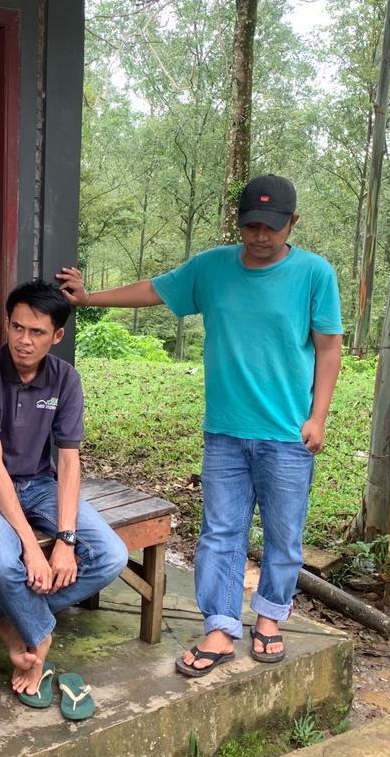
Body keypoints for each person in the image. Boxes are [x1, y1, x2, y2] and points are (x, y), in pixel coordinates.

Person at [57, 174, 343, 678]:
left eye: (271, 227)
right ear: (239, 224)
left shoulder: (314, 274)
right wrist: (88, 298)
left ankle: (270, 616)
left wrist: (317, 418)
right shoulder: (212, 268)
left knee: (283, 535)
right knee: (220, 533)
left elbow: (329, 347)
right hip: (226, 431)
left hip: (287, 434)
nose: (260, 236)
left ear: (292, 224)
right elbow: (155, 289)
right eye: (251, 226)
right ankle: (220, 626)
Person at [0, 280, 129, 714]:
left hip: (40, 484)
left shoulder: (65, 379)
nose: (24, 340)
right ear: (6, 324)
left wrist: (65, 540)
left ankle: (17, 622)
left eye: (37, 332)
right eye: (17, 327)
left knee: (111, 555)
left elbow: (68, 462)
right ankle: (39, 634)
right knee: (0, 560)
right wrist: (32, 547)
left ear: (57, 335)